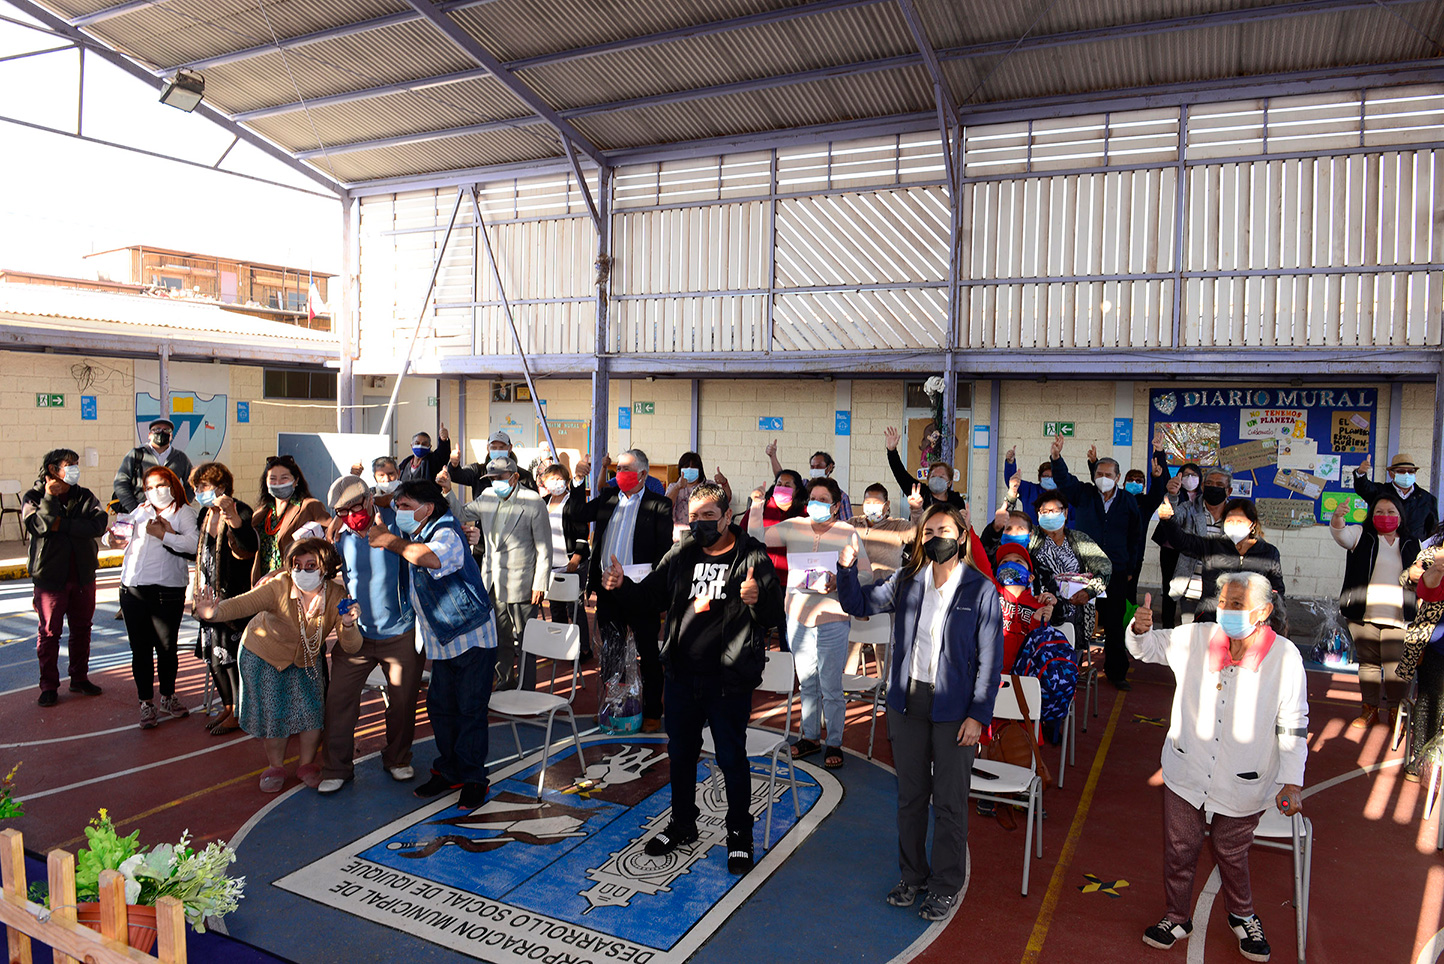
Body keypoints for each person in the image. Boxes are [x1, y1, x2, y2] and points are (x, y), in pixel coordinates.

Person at [599, 481, 785, 874]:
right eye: (694, 516)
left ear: (727, 516)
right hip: (682, 676)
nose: (700, 523)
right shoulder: (682, 552)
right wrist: (621, 587)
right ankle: (683, 824)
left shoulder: (752, 556)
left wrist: (757, 600)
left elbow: (774, 616)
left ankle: (739, 835)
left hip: (727, 681)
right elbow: (650, 597)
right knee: (681, 755)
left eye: (708, 516)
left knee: (731, 758)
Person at [836, 502, 1003, 922]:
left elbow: (990, 660)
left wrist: (978, 715)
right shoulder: (908, 580)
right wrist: (846, 569)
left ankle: (945, 885)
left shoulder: (981, 589)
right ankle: (912, 876)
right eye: (928, 532)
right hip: (907, 704)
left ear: (961, 536)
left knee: (949, 801)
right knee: (910, 798)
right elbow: (859, 603)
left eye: (943, 531)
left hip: (955, 711)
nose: (935, 539)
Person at [1127, 575, 1308, 963]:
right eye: (1223, 602)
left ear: (1263, 611)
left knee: (1230, 848)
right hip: (1186, 767)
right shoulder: (1198, 636)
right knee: (1180, 846)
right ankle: (1177, 916)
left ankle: (1243, 915)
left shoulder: (1285, 657)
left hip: (1245, 778)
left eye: (1237, 604)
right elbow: (1150, 648)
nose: (1226, 610)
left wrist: (1292, 781)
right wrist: (1140, 630)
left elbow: (1293, 723)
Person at [370, 480, 499, 810]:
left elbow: (431, 559)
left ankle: (474, 779)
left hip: (471, 639)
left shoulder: (446, 533)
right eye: (398, 506)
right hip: (443, 643)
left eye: (405, 506)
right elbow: (387, 503)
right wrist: (380, 501)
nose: (399, 512)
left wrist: (389, 541)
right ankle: (450, 770)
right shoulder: (418, 530)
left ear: (427, 509)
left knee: (469, 712)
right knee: (441, 709)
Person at [195, 538, 361, 793]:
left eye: (311, 565)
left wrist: (348, 625)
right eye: (297, 565)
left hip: (306, 659)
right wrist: (212, 613)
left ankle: (307, 765)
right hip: (264, 655)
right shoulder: (279, 586)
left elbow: (351, 646)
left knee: (313, 714)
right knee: (275, 715)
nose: (302, 571)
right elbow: (243, 604)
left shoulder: (337, 596)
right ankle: (275, 767)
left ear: (325, 567)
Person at [751, 477, 872, 768]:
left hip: (833, 618)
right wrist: (756, 505)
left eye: (823, 500)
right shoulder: (794, 526)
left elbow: (867, 574)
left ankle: (835, 742)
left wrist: (840, 581)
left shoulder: (847, 532)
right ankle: (809, 737)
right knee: (806, 683)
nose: (816, 504)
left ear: (835, 506)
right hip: (797, 617)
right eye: (812, 499)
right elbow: (757, 536)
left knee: (831, 685)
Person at [318, 476, 422, 793]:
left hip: (400, 632)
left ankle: (398, 759)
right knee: (338, 701)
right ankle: (336, 768)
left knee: (403, 702)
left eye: (355, 507)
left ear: (369, 499)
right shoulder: (339, 535)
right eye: (342, 511)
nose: (351, 515)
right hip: (356, 635)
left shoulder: (397, 522)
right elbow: (316, 565)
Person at [576, 449, 675, 731]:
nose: (619, 473)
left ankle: (652, 711)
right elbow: (577, 513)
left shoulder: (659, 505)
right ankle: (613, 706)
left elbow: (663, 552)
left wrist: (655, 589)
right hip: (609, 589)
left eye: (626, 469)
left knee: (648, 652)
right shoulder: (609, 497)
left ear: (642, 474)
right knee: (612, 652)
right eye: (617, 468)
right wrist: (578, 481)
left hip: (641, 590)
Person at [105, 466, 199, 730]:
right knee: (140, 649)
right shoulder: (140, 510)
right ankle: (146, 702)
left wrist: (165, 535)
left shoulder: (184, 513)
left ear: (173, 485)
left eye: (160, 485)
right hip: (133, 588)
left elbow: (194, 544)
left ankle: (168, 696)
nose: (155, 491)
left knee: (166, 647)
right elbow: (117, 533)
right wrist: (110, 540)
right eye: (149, 487)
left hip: (167, 590)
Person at [448, 454, 551, 690]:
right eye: (492, 478)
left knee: (526, 640)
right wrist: (447, 491)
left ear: (514, 477)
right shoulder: (487, 496)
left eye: (500, 477)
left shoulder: (533, 502)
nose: (495, 482)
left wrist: (540, 583)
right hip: (493, 581)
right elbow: (461, 514)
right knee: (499, 636)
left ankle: (526, 688)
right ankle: (505, 681)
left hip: (523, 583)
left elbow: (544, 548)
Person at [1049, 436, 1140, 689]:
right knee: (1077, 620)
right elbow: (1064, 481)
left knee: (1114, 623)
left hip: (1115, 572)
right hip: (1083, 572)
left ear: (1117, 478)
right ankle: (1070, 667)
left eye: (1108, 474)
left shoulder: (1128, 501)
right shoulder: (1084, 494)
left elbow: (1135, 537)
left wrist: (1130, 568)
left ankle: (1116, 672)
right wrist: (1056, 458)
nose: (1103, 478)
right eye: (1099, 473)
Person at [24, 448, 108, 707]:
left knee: (82, 629)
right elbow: (38, 526)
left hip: (83, 576)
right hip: (50, 578)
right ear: (53, 469)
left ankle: (79, 678)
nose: (75, 468)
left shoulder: (85, 496)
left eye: (76, 464)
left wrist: (62, 525)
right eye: (69, 464)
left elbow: (98, 524)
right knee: (49, 633)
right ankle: (48, 686)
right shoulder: (34, 497)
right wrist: (50, 498)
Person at [1331, 492, 1419, 729]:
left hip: (1399, 616)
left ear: (1400, 516)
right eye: (1379, 512)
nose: (1385, 516)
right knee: (1368, 664)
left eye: (1391, 512)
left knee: (1395, 666)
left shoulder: (1412, 542)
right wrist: (1337, 518)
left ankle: (1395, 711)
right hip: (1363, 614)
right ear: (1371, 515)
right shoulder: (1361, 535)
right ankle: (1369, 709)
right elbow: (1341, 535)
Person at [188, 461, 257, 736]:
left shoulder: (240, 510)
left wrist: (233, 519)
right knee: (215, 658)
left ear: (221, 486)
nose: (199, 491)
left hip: (232, 595)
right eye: (197, 487)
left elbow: (249, 545)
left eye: (204, 485)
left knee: (232, 657)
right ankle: (227, 706)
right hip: (206, 595)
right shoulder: (204, 514)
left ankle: (240, 711)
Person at [1153, 497, 1285, 624]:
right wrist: (1168, 521)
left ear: (1253, 524)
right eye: (1230, 521)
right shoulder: (1213, 545)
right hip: (1211, 618)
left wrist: (1279, 622)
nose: (1234, 525)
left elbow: (1277, 592)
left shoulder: (1268, 552)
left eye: (1240, 522)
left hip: (1249, 621)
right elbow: (1182, 542)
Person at [1027, 493, 1111, 657]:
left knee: (1068, 665)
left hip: (1074, 616)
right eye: (1044, 511)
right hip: (1038, 613)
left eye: (1055, 511)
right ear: (1038, 515)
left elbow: (1105, 567)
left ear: (1065, 513)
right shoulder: (1031, 538)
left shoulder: (1079, 540)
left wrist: (1089, 592)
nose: (1050, 515)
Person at [1156, 464, 1230, 625]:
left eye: (1219, 485)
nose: (1214, 488)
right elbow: (1174, 520)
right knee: (1190, 635)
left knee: (1217, 636)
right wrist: (1172, 497)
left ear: (1228, 491)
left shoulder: (1235, 514)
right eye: (1209, 484)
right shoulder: (1189, 508)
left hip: (1222, 592)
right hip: (1192, 590)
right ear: (1203, 486)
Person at [539, 462, 592, 660]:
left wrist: (576, 557)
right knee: (556, 608)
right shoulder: (543, 502)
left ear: (567, 481)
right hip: (551, 564)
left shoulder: (572, 502)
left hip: (572, 563)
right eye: (552, 479)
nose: (556, 483)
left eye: (560, 479)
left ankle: (583, 649)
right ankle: (559, 646)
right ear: (545, 482)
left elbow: (582, 531)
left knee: (574, 607)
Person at [1399, 546, 1444, 781]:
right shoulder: (1435, 552)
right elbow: (1418, 583)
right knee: (1429, 701)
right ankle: (1421, 758)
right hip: (1436, 643)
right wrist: (1427, 571)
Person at [250, 455, 330, 585]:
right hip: (263, 585)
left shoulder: (310, 507)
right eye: (272, 479)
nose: (278, 483)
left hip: (295, 584)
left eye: (284, 478)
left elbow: (328, 543)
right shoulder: (260, 514)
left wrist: (278, 573)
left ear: (296, 481)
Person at [112, 417, 195, 513]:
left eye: (166, 430)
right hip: (141, 513)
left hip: (171, 515)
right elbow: (120, 483)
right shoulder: (136, 455)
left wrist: (180, 506)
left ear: (171, 436)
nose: (161, 432)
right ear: (149, 435)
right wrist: (135, 509)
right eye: (157, 429)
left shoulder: (180, 458)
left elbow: (192, 484)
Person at [1353, 453, 1438, 541]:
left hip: (1414, 547)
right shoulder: (1380, 492)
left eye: (1411, 471)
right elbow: (1364, 488)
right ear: (1391, 473)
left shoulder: (1427, 499)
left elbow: (1432, 530)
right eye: (1401, 471)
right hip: (1382, 545)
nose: (1406, 474)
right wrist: (1361, 473)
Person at [884, 426, 966, 513]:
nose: (936, 479)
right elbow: (900, 474)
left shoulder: (956, 500)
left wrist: (962, 516)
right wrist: (892, 451)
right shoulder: (920, 493)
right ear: (928, 479)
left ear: (949, 483)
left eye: (941, 477)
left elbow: (962, 519)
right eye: (933, 476)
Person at [766, 440, 852, 519]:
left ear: (829, 467)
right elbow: (783, 478)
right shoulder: (804, 485)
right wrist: (773, 457)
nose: (815, 469)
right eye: (812, 467)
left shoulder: (841, 496)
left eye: (819, 466)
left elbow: (846, 523)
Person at [449, 430, 538, 496]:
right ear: (488, 448)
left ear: (510, 448)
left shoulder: (524, 476)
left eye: (502, 447)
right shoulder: (478, 471)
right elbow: (457, 476)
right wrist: (454, 465)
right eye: (494, 448)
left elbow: (534, 501)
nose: (498, 450)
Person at [665, 451, 733, 528]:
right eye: (686, 467)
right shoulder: (674, 487)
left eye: (693, 467)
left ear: (699, 470)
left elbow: (726, 499)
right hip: (679, 531)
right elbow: (666, 505)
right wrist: (677, 487)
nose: (689, 469)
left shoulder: (708, 485)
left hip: (704, 530)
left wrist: (724, 483)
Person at [1002, 445, 1062, 523]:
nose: (1050, 478)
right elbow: (1012, 482)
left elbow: (1073, 520)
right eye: (1046, 476)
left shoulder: (1065, 494)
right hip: (1031, 530)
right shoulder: (1029, 490)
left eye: (1053, 476)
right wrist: (1010, 462)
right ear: (1040, 478)